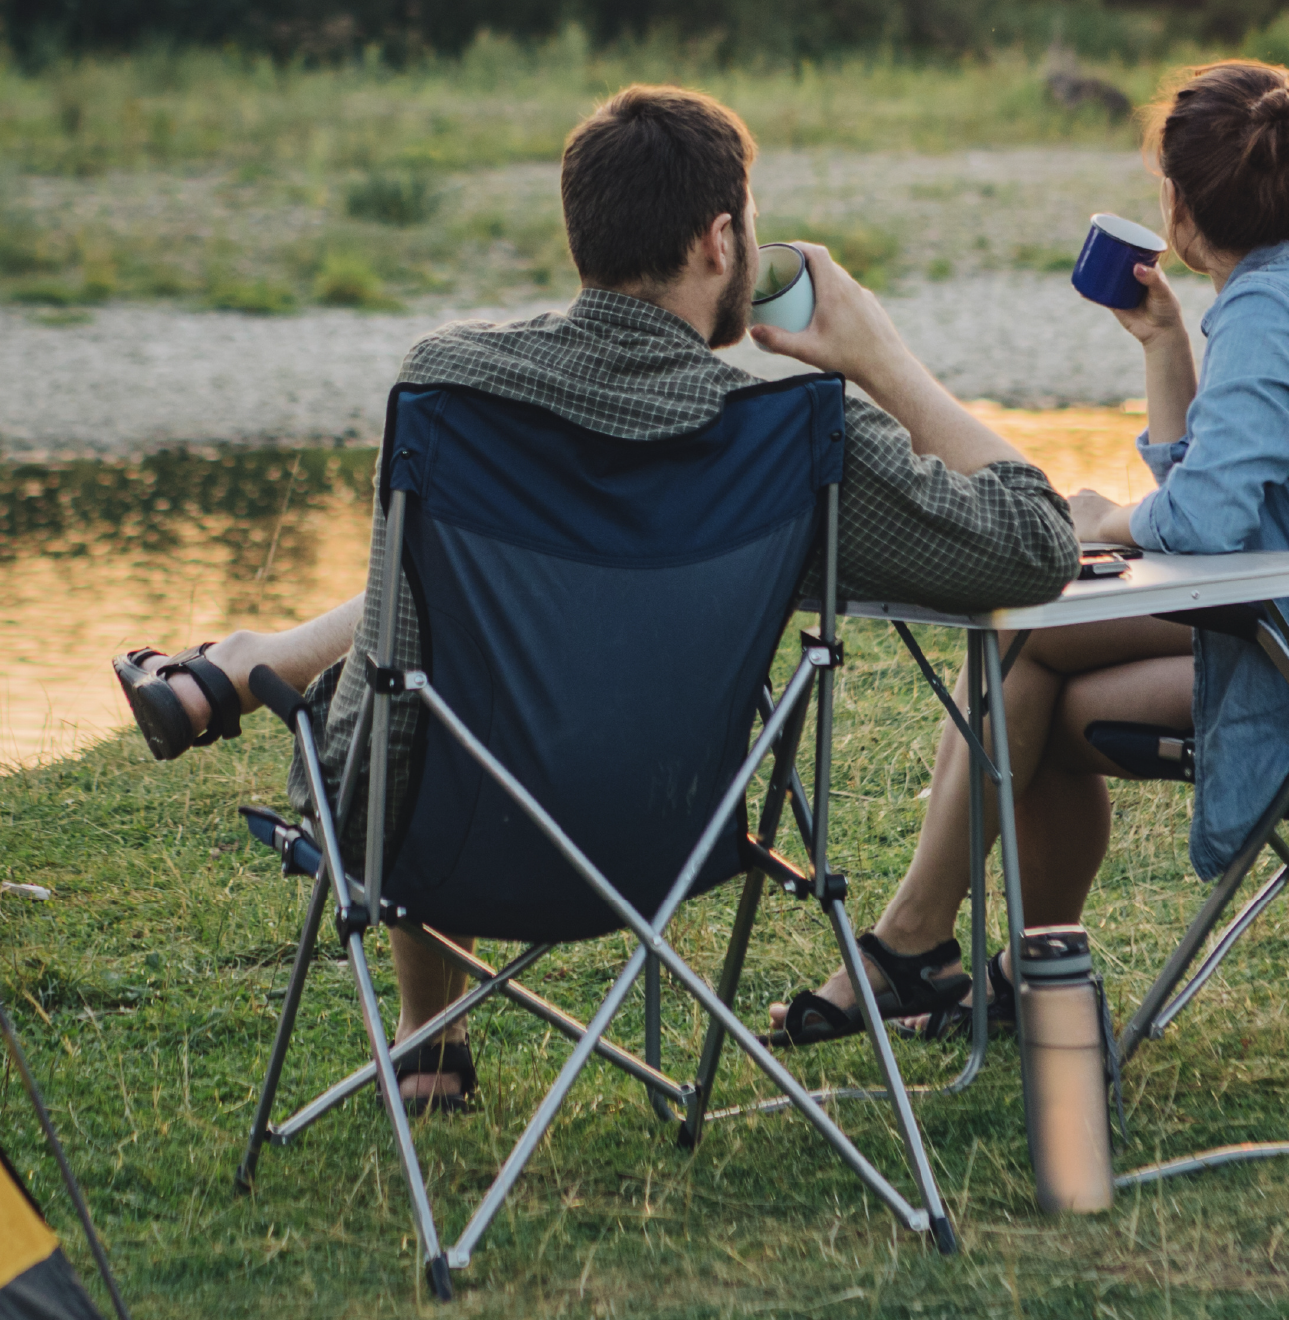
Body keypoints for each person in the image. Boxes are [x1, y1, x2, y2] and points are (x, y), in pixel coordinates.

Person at [118, 84, 1077, 1106]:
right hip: (668, 835)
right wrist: (880, 358)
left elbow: (402, 650)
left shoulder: (451, 386)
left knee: (430, 632)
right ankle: (248, 664)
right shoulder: (790, 442)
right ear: (720, 241)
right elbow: (1036, 543)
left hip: (432, 834)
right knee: (436, 604)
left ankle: (427, 1035)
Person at [777, 59, 1289, 1045]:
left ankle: (921, 945)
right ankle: (1001, 965)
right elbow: (1221, 488)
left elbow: (1201, 520)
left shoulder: (1264, 315)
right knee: (1034, 673)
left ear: (1175, 206)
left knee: (1024, 651)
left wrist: (1100, 519)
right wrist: (1165, 347)